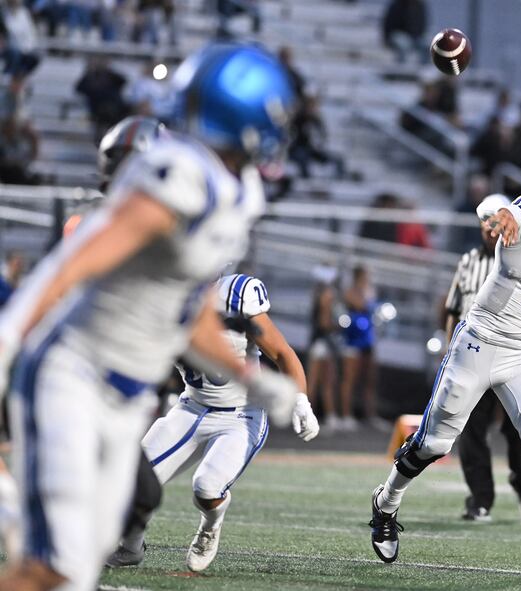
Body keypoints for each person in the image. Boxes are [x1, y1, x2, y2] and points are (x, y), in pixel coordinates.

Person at [0, 42, 298, 591]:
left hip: (129, 396)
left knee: (77, 570)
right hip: (75, 376)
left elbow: (186, 311)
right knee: (51, 567)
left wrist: (253, 380)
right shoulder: (181, 171)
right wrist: (12, 332)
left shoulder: (239, 192)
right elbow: (81, 258)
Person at [370, 148, 521, 578]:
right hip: (479, 342)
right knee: (434, 444)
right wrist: (497, 216)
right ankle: (386, 502)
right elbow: (498, 207)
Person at [108, 271, 319, 571]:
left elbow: (282, 352)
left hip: (241, 413)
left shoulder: (236, 295)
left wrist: (301, 401)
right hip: (191, 407)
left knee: (206, 487)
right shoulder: (161, 298)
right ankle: (130, 548)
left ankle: (210, 524)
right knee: (130, 479)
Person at [445, 194, 521, 523]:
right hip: (473, 355)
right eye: (485, 221)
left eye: (495, 220)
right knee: (471, 429)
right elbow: (453, 310)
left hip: (513, 355)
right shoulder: (468, 260)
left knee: (520, 429)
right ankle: (480, 497)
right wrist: (449, 354)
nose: (490, 228)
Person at [339, 266, 379, 429]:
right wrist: (365, 295)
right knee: (350, 379)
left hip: (368, 339)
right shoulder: (351, 292)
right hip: (353, 340)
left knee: (370, 379)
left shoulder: (369, 291)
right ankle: (346, 415)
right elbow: (360, 305)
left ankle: (370, 415)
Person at [306, 265, 340, 430]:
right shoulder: (327, 294)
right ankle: (327, 416)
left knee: (315, 381)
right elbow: (324, 323)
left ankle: (309, 416)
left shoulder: (318, 292)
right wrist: (337, 326)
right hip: (323, 342)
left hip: (317, 341)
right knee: (325, 381)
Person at [382, 0, 427, 64]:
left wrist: (416, 36)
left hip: (414, 37)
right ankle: (401, 67)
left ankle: (424, 68)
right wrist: (386, 39)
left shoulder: (420, 6)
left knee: (427, 47)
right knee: (404, 44)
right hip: (396, 35)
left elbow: (423, 24)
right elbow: (388, 24)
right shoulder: (396, 5)